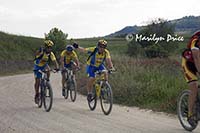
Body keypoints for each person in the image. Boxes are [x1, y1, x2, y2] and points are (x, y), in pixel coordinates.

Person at [182, 31, 200, 125]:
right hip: (189, 63)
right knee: (194, 85)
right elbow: (196, 58)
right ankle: (190, 114)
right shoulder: (196, 40)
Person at [33, 40, 59, 104]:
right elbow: (36, 55)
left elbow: (54, 61)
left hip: (44, 65)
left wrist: (57, 67)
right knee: (38, 81)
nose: (49, 49)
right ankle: (37, 94)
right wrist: (39, 52)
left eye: (50, 47)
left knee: (48, 70)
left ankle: (47, 82)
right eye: (48, 47)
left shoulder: (51, 53)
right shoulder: (41, 52)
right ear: (45, 47)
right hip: (37, 66)